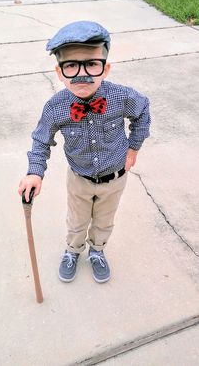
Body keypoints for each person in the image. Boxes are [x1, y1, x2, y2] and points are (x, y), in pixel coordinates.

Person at [18, 20, 150, 284]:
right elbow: (41, 140)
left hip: (115, 178)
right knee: (76, 221)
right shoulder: (56, 107)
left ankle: (97, 251)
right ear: (59, 72)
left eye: (91, 63)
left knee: (104, 221)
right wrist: (35, 173)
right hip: (79, 179)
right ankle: (73, 250)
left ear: (106, 67)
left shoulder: (121, 97)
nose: (82, 74)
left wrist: (134, 147)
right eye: (71, 65)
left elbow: (143, 112)